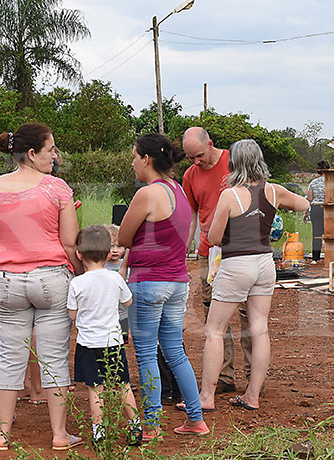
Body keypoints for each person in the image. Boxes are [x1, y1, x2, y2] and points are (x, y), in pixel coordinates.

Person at [0, 123, 83, 451]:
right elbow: (70, 242)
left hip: (7, 283)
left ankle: (2, 434)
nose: (55, 156)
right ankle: (60, 434)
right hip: (52, 280)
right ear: (32, 153)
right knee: (55, 358)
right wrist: (80, 275)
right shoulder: (57, 189)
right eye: (51, 150)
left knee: (10, 358)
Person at [201, 139, 310, 411]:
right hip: (264, 263)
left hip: (237, 263)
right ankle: (252, 396)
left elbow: (214, 237)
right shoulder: (274, 191)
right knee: (260, 329)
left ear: (234, 163)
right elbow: (303, 204)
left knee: (214, 331)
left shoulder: (230, 195)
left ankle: (206, 397)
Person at [119, 133, 209, 439]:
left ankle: (152, 424)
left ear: (146, 159)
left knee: (146, 354)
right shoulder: (178, 190)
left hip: (148, 282)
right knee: (175, 352)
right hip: (177, 282)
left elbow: (124, 238)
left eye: (134, 157)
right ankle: (195, 418)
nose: (133, 163)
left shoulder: (147, 194)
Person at [182, 126, 249, 395]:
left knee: (248, 312)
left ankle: (254, 376)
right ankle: (224, 375)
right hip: (209, 252)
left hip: (241, 249)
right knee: (214, 315)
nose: (196, 162)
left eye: (199, 155)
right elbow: (192, 214)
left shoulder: (234, 162)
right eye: (190, 158)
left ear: (210, 144)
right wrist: (186, 246)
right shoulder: (190, 175)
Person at [68, 225, 141, 445]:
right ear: (109, 254)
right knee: (123, 385)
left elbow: (72, 314)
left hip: (88, 344)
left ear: (79, 254)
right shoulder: (115, 278)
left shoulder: (77, 283)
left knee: (95, 389)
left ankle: (99, 433)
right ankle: (135, 428)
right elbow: (128, 301)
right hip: (113, 342)